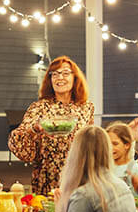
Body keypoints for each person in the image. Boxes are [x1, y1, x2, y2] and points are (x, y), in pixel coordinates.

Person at [8, 56, 94, 194]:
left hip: (80, 176)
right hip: (48, 177)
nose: (60, 77)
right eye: (55, 74)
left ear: (75, 77)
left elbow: (90, 141)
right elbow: (18, 141)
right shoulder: (39, 107)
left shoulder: (86, 107)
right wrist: (34, 129)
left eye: (65, 73)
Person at [106, 121, 138, 189]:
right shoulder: (104, 167)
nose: (110, 147)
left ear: (127, 145)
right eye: (108, 143)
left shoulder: (132, 169)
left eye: (115, 144)